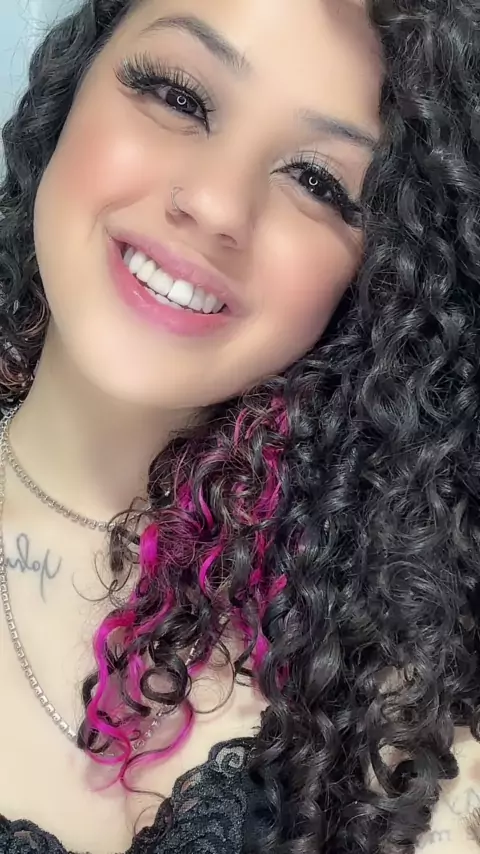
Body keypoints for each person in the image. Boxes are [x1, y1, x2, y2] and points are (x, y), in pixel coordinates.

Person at [0, 0, 479, 852]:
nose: (219, 204)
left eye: (318, 182)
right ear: (69, 89)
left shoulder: (412, 638)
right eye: (179, 97)